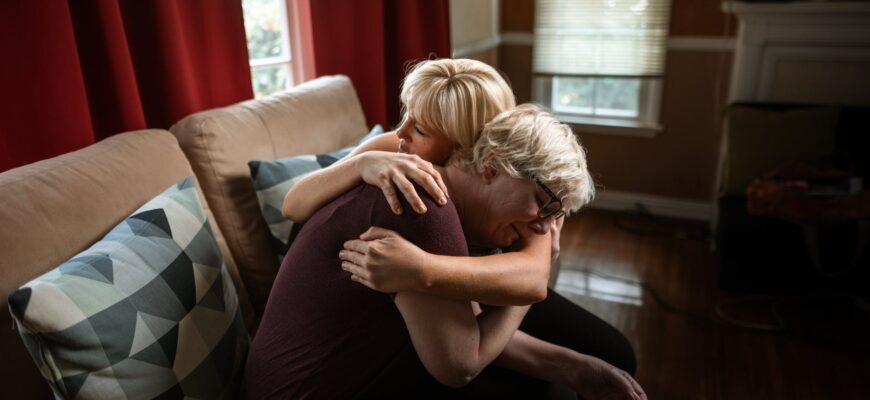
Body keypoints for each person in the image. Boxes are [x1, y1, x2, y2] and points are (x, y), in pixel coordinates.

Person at [282, 58, 641, 398]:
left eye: (420, 127)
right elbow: (293, 204)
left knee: (612, 351)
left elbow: (531, 281)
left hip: (455, 289)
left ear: (467, 149)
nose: (401, 132)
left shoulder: (518, 182)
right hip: (371, 312)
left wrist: (421, 269)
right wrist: (362, 162)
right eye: (407, 116)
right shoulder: (398, 158)